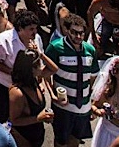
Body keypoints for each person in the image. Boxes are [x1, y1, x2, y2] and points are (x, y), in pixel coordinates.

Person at [45, 13, 99, 147]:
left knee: (75, 141)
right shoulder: (56, 47)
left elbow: (93, 78)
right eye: (75, 32)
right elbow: (45, 75)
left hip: (83, 108)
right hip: (63, 107)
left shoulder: (90, 50)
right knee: (61, 142)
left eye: (81, 33)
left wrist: (91, 102)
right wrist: (52, 96)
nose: (78, 37)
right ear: (67, 30)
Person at [0, 9, 43, 123]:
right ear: (20, 29)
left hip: (29, 88)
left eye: (36, 28)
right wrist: (13, 72)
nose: (35, 32)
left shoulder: (36, 39)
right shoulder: (4, 40)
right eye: (31, 29)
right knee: (4, 120)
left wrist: (40, 82)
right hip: (6, 87)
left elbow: (40, 63)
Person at [8, 49, 54, 147]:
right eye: (38, 64)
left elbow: (54, 69)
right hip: (23, 138)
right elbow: (14, 120)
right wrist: (38, 118)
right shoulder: (17, 93)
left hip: (37, 135)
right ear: (30, 69)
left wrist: (40, 54)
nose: (41, 67)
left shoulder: (33, 81)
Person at [90, 56, 119, 147]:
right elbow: (94, 105)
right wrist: (97, 111)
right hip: (107, 133)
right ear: (115, 74)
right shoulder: (108, 92)